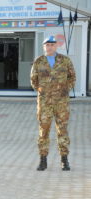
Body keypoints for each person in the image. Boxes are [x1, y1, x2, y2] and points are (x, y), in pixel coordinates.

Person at [30, 36, 76, 171]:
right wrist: (43, 91)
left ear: (56, 46)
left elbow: (72, 77)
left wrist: (65, 89)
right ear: (43, 47)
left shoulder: (65, 60)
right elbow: (33, 80)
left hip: (61, 102)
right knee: (43, 131)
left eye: (52, 44)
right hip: (44, 102)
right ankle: (43, 160)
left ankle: (64, 160)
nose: (49, 47)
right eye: (47, 45)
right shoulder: (38, 61)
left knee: (62, 130)